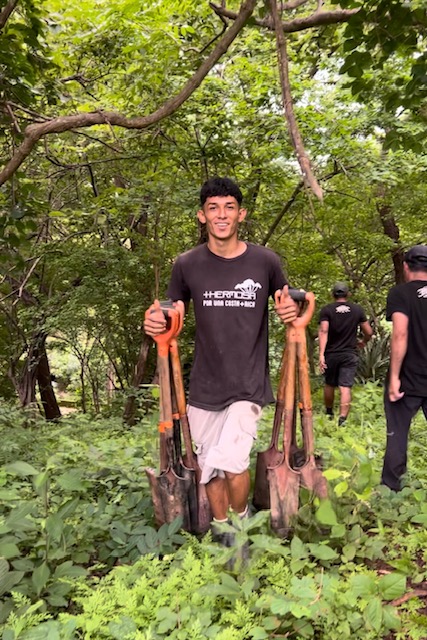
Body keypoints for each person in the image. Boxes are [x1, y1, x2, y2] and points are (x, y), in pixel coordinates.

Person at [144, 177, 298, 547]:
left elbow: (286, 301)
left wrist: (291, 309)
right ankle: (220, 527)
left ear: (241, 214)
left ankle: (241, 526)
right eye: (213, 208)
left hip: (248, 383)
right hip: (204, 385)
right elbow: (171, 310)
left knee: (232, 461)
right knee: (209, 468)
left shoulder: (265, 261)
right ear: (202, 216)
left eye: (229, 207)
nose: (221, 215)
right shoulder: (187, 264)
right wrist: (155, 321)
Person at [381, 245, 427, 491]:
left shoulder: (400, 294)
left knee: (397, 434)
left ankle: (391, 491)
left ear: (406, 267)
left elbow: (400, 333)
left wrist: (395, 377)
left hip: (408, 378)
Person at [318, 282, 372, 426]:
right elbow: (369, 331)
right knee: (345, 386)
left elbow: (323, 331)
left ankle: (329, 413)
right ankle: (342, 419)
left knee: (329, 384)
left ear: (333, 295)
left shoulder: (327, 310)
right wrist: (364, 341)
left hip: (331, 354)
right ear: (348, 294)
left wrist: (321, 354)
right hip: (349, 354)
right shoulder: (357, 310)